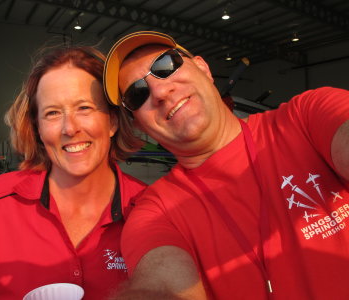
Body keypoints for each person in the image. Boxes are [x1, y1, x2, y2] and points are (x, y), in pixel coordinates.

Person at [103, 31, 349, 299]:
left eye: (166, 65)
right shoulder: (154, 213)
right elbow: (159, 284)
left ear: (203, 67)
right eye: (137, 94)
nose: (161, 91)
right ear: (139, 124)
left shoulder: (307, 116)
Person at [0, 45, 146, 300]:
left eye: (84, 107)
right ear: (38, 130)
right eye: (52, 113)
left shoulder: (150, 207)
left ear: (112, 121)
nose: (69, 128)